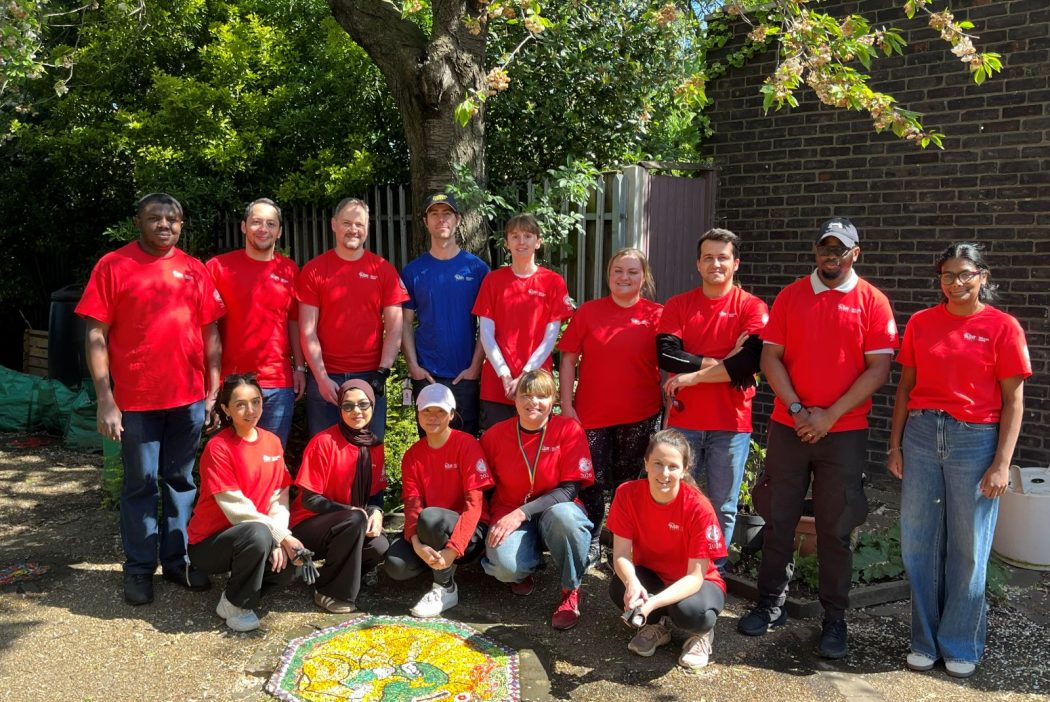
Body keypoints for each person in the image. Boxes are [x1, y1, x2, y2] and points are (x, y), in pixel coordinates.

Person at [738, 217, 898, 660]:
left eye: (841, 249)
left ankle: (835, 619)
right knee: (778, 520)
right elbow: (771, 357)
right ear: (816, 251)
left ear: (855, 253)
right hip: (790, 427)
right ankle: (770, 604)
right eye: (825, 248)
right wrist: (797, 410)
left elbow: (879, 368)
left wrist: (829, 415)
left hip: (842, 433)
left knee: (836, 528)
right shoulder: (791, 296)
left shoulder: (873, 301)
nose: (832, 255)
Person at [887, 243, 1030, 678]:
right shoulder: (922, 323)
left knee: (969, 547)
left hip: (976, 440)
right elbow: (905, 388)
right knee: (918, 542)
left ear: (982, 276)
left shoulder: (1002, 327)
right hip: (923, 435)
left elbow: (1014, 401)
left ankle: (960, 643)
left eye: (965, 274)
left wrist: (1002, 463)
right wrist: (894, 445)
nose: (955, 283)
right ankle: (924, 642)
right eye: (947, 275)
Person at [77, 192, 225, 606]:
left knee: (180, 482)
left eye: (173, 219)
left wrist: (213, 390)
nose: (165, 225)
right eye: (155, 218)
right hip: (137, 402)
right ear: (138, 222)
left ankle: (175, 563)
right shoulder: (114, 265)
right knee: (141, 485)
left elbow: (211, 332)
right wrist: (106, 399)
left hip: (188, 400)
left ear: (181, 224)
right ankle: (140, 570)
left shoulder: (194, 269)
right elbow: (94, 334)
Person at [656, 229, 768, 571]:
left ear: (736, 263)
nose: (715, 263)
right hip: (684, 424)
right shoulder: (679, 304)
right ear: (698, 264)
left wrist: (694, 375)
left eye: (722, 257)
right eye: (708, 257)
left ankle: (710, 574)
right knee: (673, 498)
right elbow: (666, 356)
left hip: (730, 426)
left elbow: (750, 362)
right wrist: (724, 364)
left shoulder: (752, 307)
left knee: (723, 506)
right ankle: (671, 567)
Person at [559, 248, 663, 568]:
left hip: (641, 416)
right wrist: (565, 404)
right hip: (592, 416)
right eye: (618, 270)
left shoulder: (658, 315)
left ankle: (622, 547)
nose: (624, 277)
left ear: (643, 278)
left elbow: (670, 367)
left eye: (632, 271)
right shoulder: (589, 312)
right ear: (609, 275)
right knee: (593, 483)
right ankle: (591, 540)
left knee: (628, 486)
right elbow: (567, 359)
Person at [187, 374, 305, 631]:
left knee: (290, 568)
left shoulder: (272, 442)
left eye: (256, 402)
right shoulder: (218, 447)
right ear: (226, 409)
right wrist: (279, 537)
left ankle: (232, 597)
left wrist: (279, 539)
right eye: (240, 404)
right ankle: (237, 604)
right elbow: (236, 509)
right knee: (257, 534)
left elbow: (279, 497)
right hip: (210, 543)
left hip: (257, 534)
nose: (250, 410)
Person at [480, 370, 595, 630]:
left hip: (553, 511)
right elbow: (480, 486)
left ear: (553, 400)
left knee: (566, 517)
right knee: (505, 568)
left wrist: (522, 512)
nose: (534, 402)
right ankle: (525, 566)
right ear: (515, 399)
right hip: (508, 511)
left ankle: (570, 589)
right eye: (526, 395)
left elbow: (569, 490)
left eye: (542, 396)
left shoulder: (568, 429)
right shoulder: (495, 436)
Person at [607, 429, 727, 671]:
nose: (664, 473)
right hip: (654, 575)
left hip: (699, 584)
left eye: (672, 466)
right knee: (619, 586)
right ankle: (657, 627)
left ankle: (702, 634)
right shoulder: (627, 493)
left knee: (690, 612)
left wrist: (651, 603)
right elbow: (620, 554)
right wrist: (632, 582)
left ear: (684, 470)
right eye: (658, 464)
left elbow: (695, 577)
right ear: (646, 463)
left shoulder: (698, 507)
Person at [297, 198, 409, 439]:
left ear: (367, 228)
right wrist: (321, 377)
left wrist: (382, 372)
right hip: (326, 378)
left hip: (369, 376)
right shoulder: (314, 270)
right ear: (334, 224)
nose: (353, 229)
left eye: (359, 224)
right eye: (347, 223)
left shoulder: (382, 270)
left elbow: (395, 328)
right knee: (324, 453)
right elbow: (308, 331)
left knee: (368, 453)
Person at [382, 383, 493, 617]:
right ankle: (438, 565)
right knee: (395, 565)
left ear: (452, 414)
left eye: (441, 411)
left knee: (431, 517)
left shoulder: (467, 445)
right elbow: (412, 504)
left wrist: (453, 550)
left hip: (469, 532)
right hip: (427, 529)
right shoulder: (413, 455)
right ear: (418, 414)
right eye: (427, 411)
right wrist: (416, 544)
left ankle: (445, 587)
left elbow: (475, 506)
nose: (433, 417)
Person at [207, 198, 306, 448]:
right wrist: (210, 380)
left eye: (271, 224)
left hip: (277, 381)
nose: (264, 228)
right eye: (256, 222)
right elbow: (206, 327)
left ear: (279, 231)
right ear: (244, 226)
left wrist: (300, 368)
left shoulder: (290, 270)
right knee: (233, 459)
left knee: (270, 458)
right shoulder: (218, 267)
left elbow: (294, 322)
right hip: (231, 382)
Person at [290, 379, 389, 612]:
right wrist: (351, 512)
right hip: (309, 526)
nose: (357, 411)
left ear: (373, 406)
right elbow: (309, 499)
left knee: (381, 546)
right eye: (348, 406)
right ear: (340, 410)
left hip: (349, 525)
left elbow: (374, 495)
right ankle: (328, 591)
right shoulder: (323, 442)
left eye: (363, 405)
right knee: (355, 519)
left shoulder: (374, 446)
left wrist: (376, 512)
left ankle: (334, 575)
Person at [472, 214, 575, 431]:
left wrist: (525, 375)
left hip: (537, 385)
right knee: (497, 451)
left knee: (537, 453)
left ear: (538, 242)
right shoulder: (493, 281)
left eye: (527, 236)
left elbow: (550, 338)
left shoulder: (552, 282)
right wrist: (505, 374)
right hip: (498, 385)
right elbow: (486, 334)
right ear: (507, 242)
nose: (521, 242)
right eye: (515, 236)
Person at [401, 192, 489, 436]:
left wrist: (475, 366)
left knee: (466, 445)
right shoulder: (413, 271)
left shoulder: (477, 269)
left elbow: (487, 325)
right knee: (430, 445)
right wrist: (414, 367)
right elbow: (404, 324)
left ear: (458, 220)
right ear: (425, 222)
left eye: (447, 213)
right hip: (428, 375)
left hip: (464, 375)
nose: (441, 219)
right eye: (434, 214)